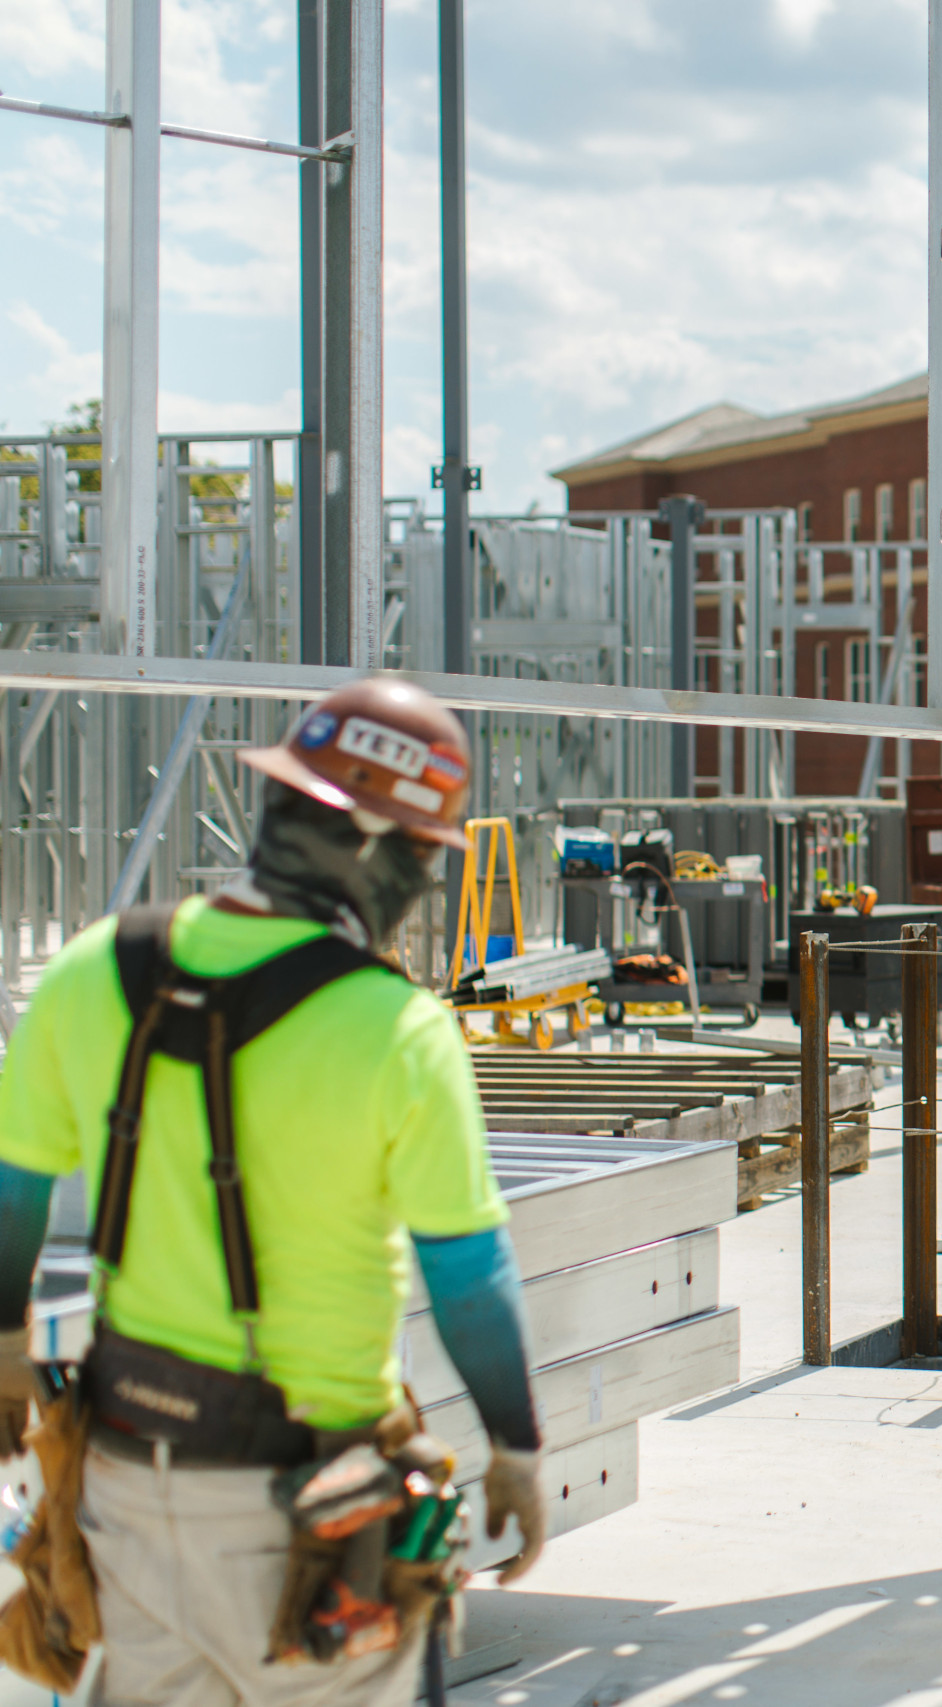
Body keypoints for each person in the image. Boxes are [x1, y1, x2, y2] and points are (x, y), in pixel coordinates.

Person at [0, 678, 550, 1705]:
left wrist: (1, 1350)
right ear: (380, 846)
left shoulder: (92, 972)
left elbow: (12, 1193)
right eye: (425, 853)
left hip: (123, 1484)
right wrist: (515, 1445)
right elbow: (469, 1276)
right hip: (310, 1510)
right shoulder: (397, 1031)